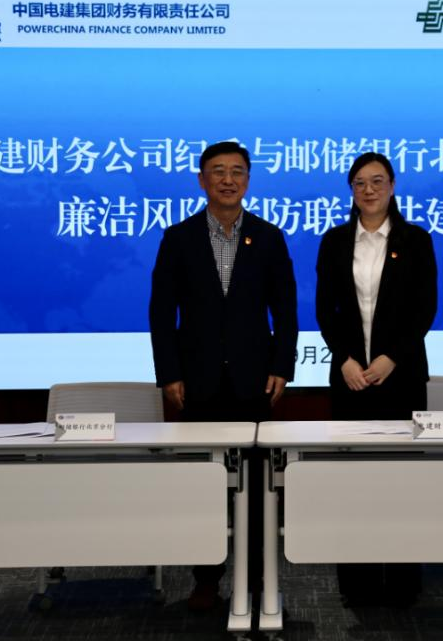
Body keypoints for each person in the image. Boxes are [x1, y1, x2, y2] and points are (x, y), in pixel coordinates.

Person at [149, 140, 298, 611]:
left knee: (257, 487)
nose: (228, 179)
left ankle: (255, 581)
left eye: (237, 171)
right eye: (218, 171)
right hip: (198, 381)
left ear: (248, 181)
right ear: (202, 180)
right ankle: (206, 581)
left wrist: (282, 366)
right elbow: (161, 313)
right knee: (204, 486)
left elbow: (286, 310)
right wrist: (169, 374)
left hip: (255, 381)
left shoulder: (269, 237)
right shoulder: (178, 238)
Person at [314, 151, 438, 606]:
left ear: (392, 186)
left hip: (400, 377)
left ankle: (403, 583)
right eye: (360, 183)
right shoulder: (334, 241)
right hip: (350, 379)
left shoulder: (416, 240)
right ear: (351, 190)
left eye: (377, 181)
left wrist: (391, 358)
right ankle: (359, 584)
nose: (369, 190)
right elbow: (325, 309)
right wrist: (344, 358)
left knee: (402, 482)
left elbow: (424, 309)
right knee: (354, 482)